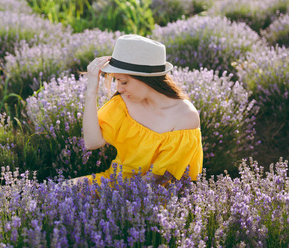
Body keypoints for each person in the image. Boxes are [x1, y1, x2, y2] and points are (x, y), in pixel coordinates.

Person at [73, 34, 203, 186]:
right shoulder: (124, 102)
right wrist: (91, 92)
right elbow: (92, 142)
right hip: (113, 183)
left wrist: (111, 197)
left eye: (124, 81)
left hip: (150, 196)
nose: (119, 88)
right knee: (58, 191)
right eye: (117, 80)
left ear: (146, 78)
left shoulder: (185, 117)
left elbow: (158, 178)